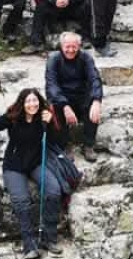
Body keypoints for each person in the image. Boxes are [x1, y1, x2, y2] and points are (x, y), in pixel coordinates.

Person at [0, 89, 61, 259]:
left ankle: (49, 238)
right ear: (22, 103)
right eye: (28, 101)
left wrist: (51, 122)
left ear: (39, 102)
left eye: (35, 101)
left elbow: (56, 139)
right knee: (22, 201)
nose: (32, 104)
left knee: (54, 191)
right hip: (14, 166)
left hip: (35, 163)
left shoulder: (43, 117)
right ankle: (29, 246)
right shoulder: (13, 117)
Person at [45, 31, 104, 162]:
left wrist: (97, 100)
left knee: (92, 105)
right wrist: (65, 105)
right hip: (61, 98)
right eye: (67, 47)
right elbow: (51, 85)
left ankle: (88, 144)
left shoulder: (86, 58)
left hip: (80, 96)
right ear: (61, 46)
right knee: (55, 105)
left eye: (74, 46)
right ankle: (65, 145)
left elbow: (95, 79)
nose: (71, 50)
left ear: (79, 46)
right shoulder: (53, 59)